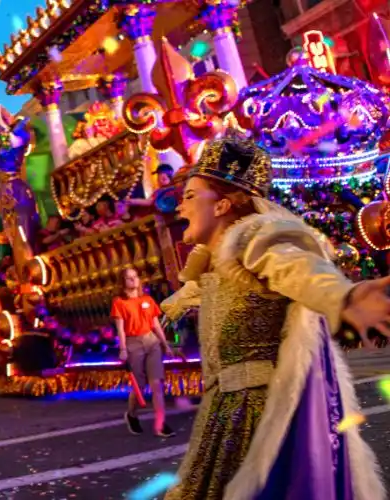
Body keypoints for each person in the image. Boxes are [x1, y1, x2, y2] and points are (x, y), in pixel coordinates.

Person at [161, 135, 385, 499]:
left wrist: (345, 296)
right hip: (226, 409)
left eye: (189, 196)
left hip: (257, 413)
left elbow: (297, 268)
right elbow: (212, 288)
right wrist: (176, 302)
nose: (179, 208)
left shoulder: (255, 238)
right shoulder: (219, 260)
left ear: (221, 206)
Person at [112, 267, 174, 438]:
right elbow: (121, 329)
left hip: (151, 341)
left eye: (135, 277)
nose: (133, 280)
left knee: (156, 384)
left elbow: (155, 324)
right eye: (128, 278)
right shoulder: (119, 302)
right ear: (123, 282)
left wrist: (165, 345)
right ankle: (132, 414)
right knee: (139, 386)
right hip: (133, 343)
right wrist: (123, 349)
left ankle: (160, 424)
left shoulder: (147, 299)